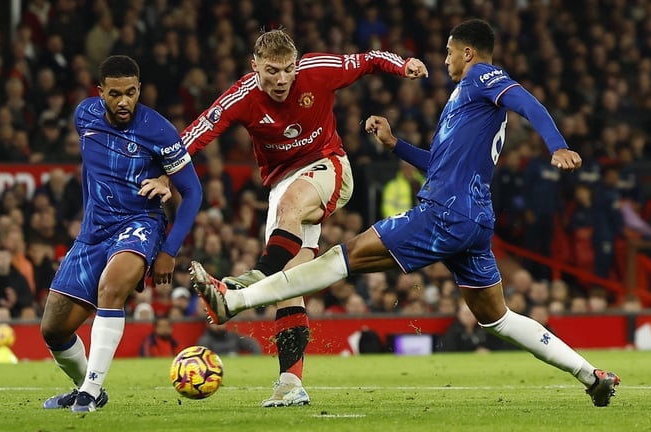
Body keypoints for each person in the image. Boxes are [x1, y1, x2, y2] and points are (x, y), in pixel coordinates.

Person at [191, 19, 620, 407]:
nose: (446, 58)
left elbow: (527, 101)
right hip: (473, 220)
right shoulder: (467, 101)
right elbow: (441, 164)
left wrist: (557, 144)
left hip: (445, 213)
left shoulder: (483, 78)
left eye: (450, 51)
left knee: (341, 259)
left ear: (467, 52)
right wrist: (395, 145)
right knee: (497, 318)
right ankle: (591, 374)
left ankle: (236, 299)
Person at [181, 29, 426, 407]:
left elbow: (365, 61)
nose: (281, 80)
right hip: (281, 187)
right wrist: (166, 170)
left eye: (287, 70)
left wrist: (403, 63)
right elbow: (202, 129)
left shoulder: (317, 70)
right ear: (255, 67)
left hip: (328, 165)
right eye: (272, 71)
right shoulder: (243, 95)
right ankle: (290, 384)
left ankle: (247, 282)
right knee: (291, 285)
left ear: (297, 65)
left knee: (292, 208)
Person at [39, 55, 202, 413]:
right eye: (115, 94)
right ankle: (86, 384)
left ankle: (90, 393)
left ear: (139, 89)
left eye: (131, 92)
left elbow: (193, 192)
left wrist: (170, 250)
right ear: (100, 92)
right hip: (94, 232)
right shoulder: (84, 116)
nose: (124, 101)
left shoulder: (159, 131)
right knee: (53, 329)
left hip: (140, 224)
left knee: (111, 289)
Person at [196, 322, 263, 356]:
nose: (219, 325)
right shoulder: (204, 341)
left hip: (238, 368)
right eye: (215, 323)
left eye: (221, 322)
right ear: (208, 324)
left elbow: (253, 345)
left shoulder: (233, 336)